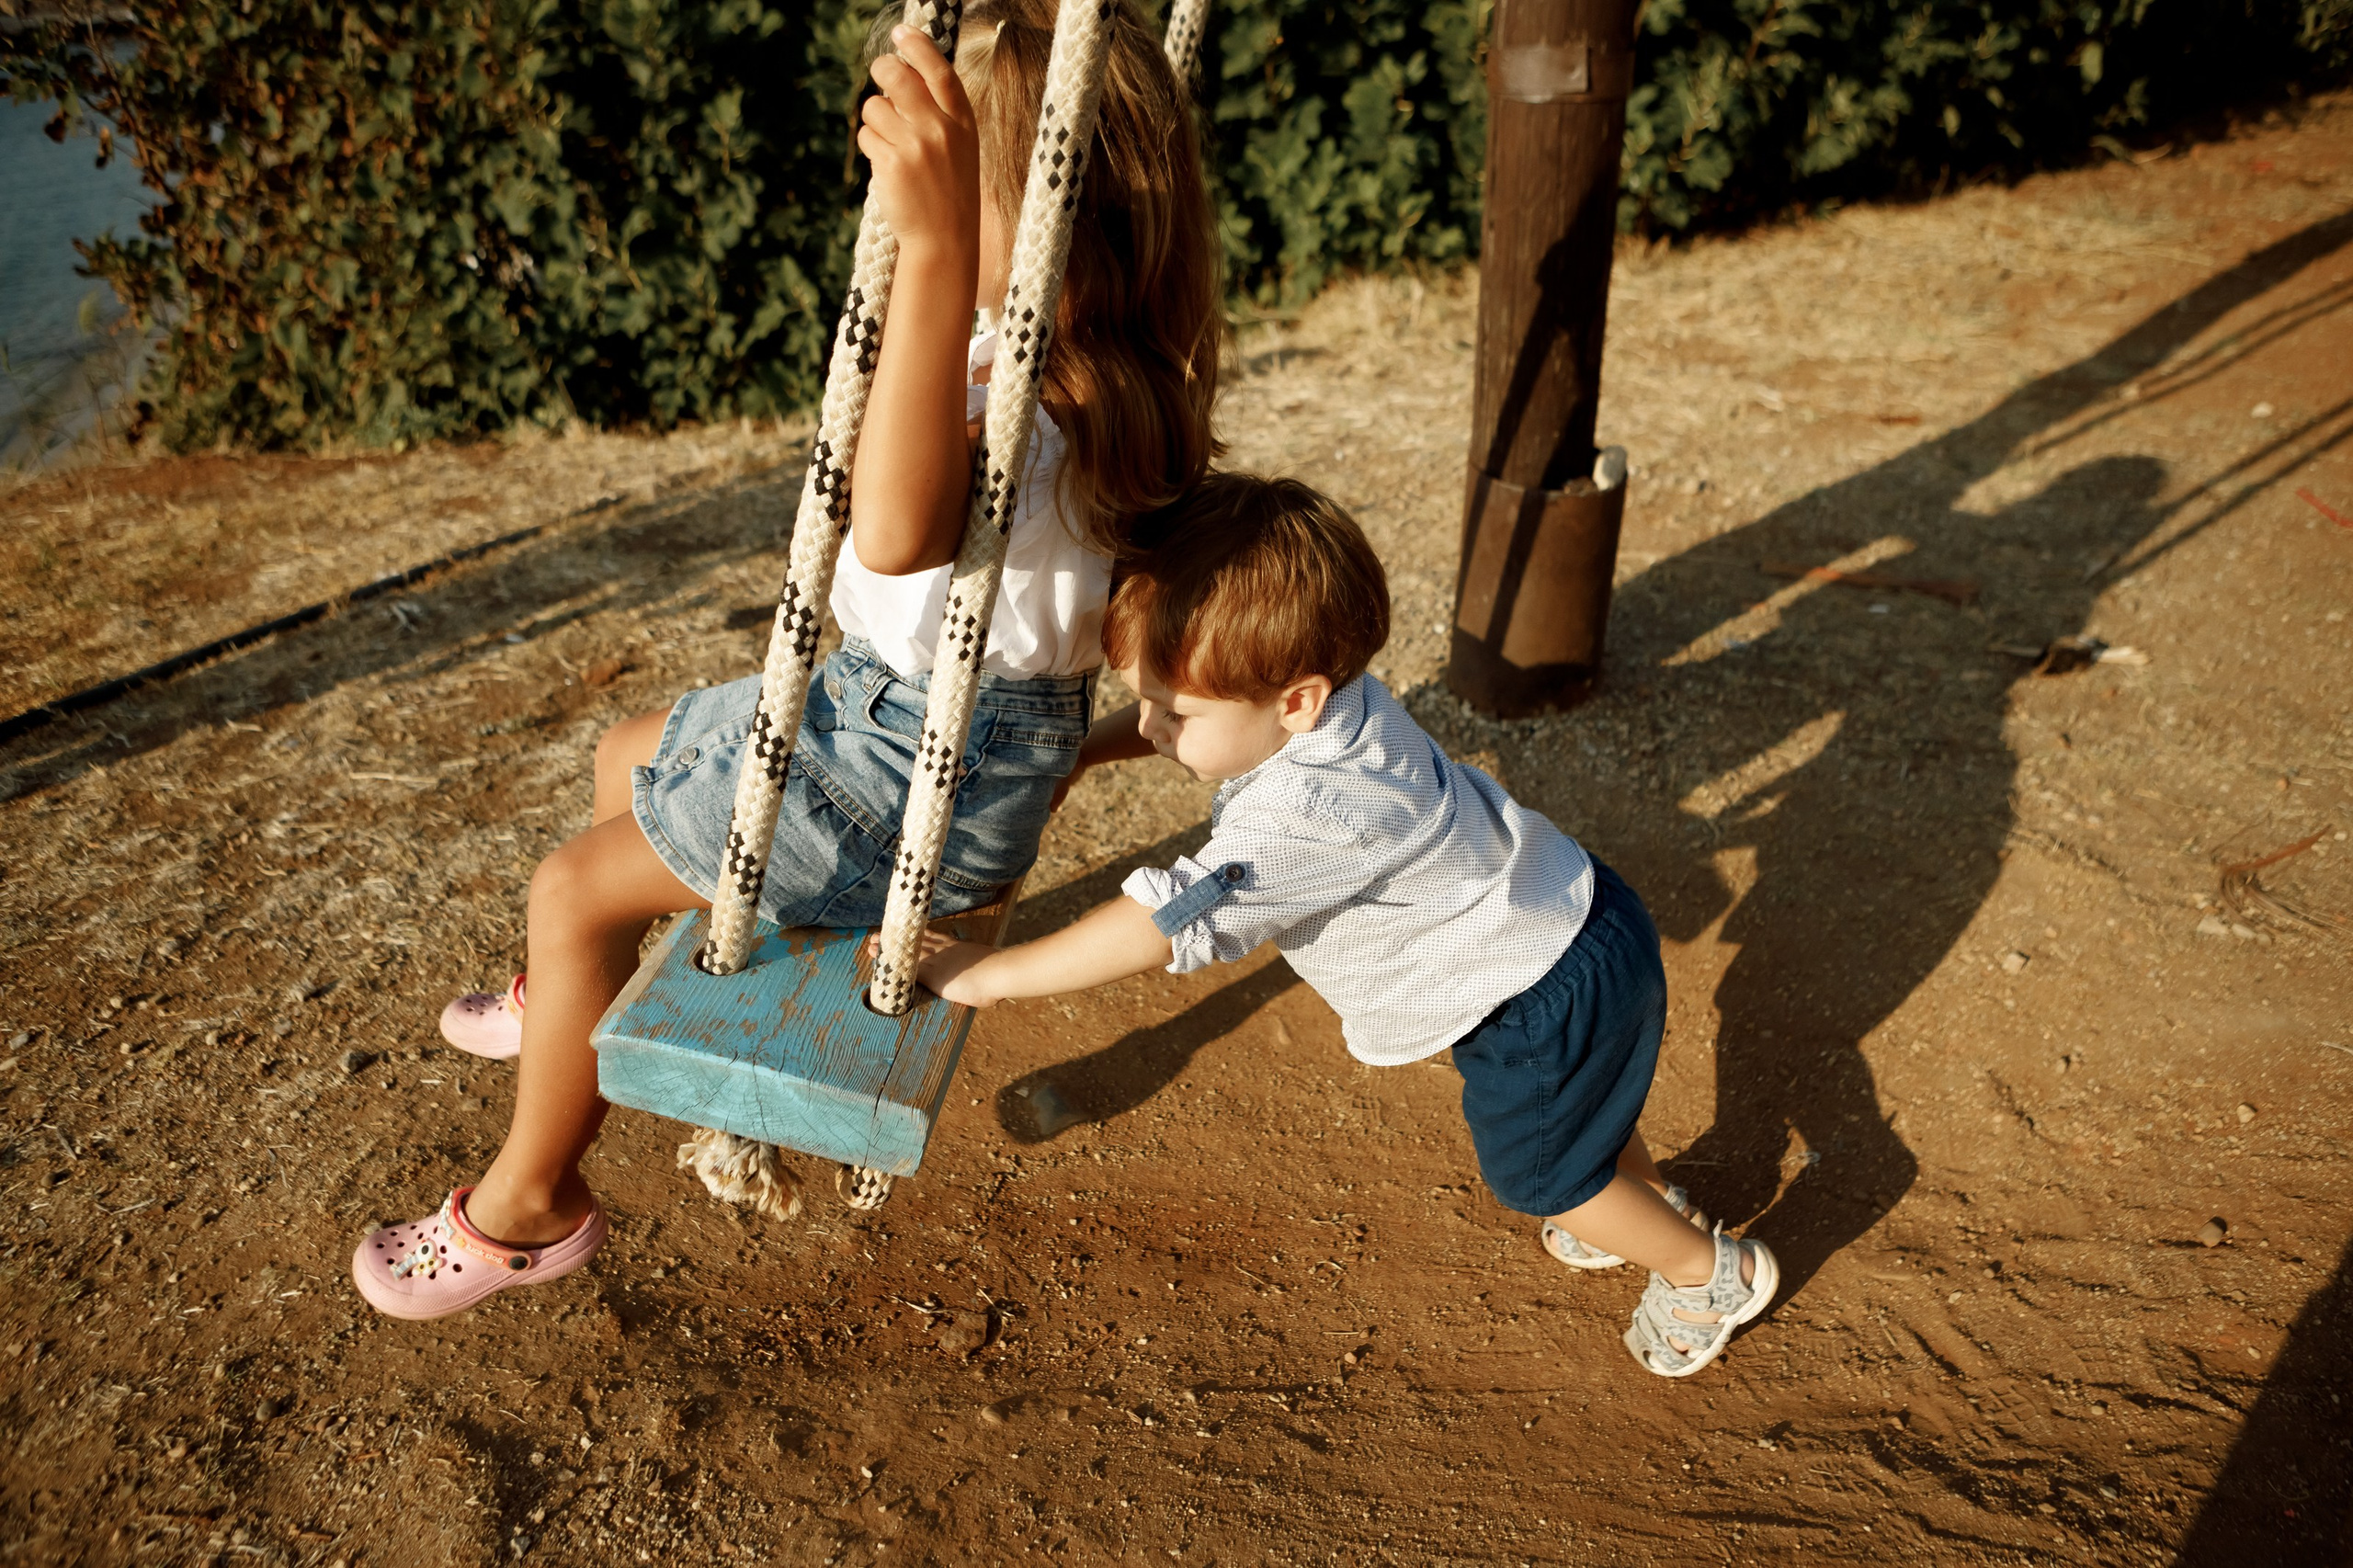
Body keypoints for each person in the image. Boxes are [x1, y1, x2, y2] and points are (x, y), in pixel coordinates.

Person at [354, 0, 1222, 1320]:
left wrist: (927, 250)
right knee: (623, 751)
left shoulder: (1022, 402)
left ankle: (531, 1205)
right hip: (907, 724)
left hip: (919, 759)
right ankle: (571, 1006)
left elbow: (892, 531)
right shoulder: (1105, 363)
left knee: (572, 884)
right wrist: (948, 240)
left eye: (943, 183)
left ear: (1044, 210)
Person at [898, 473, 1779, 1377]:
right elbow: (1191, 712)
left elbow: (1165, 920)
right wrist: (1092, 748)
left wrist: (985, 973)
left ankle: (1706, 1269)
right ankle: (1636, 1200)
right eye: (1148, 701)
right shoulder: (1343, 700)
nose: (1153, 726)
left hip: (1530, 996)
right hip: (1579, 914)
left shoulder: (1308, 814)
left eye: (1176, 713)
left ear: (1294, 701)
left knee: (1542, 1175)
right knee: (1582, 1112)